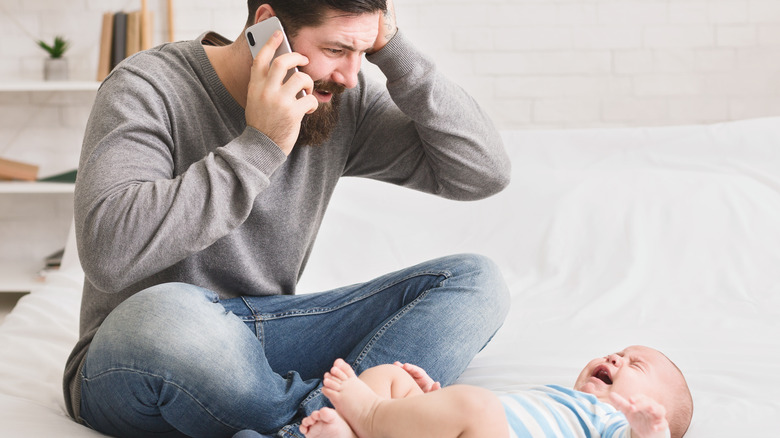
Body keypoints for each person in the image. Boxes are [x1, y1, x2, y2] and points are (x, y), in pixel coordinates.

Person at [62, 0, 511, 437]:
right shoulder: (149, 85)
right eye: (336, 50)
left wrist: (394, 50)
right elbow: (107, 254)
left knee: (476, 282)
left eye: (364, 52)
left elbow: (482, 172)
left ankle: (320, 427)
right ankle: (361, 419)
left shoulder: (339, 101)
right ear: (267, 26)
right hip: (141, 351)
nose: (351, 77)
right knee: (168, 315)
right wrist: (261, 145)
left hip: (265, 334)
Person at [300, 346, 694, 438]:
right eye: (619, 352)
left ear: (651, 409)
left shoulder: (611, 424)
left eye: (634, 365)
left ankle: (368, 417)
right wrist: (431, 401)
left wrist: (649, 432)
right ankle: (356, 431)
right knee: (391, 376)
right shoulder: (554, 395)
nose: (616, 357)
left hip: (480, 418)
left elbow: (480, 415)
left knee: (478, 402)